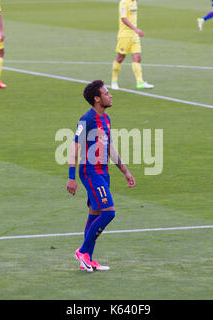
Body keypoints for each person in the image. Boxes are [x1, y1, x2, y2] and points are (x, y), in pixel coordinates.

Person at [67, 80, 136, 272]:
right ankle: (82, 252)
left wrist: (124, 170)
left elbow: (110, 147)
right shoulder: (86, 120)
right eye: (106, 93)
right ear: (97, 99)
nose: (110, 95)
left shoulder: (106, 119)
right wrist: (71, 177)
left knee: (95, 214)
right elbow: (74, 148)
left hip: (103, 172)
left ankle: (87, 259)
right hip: (90, 172)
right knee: (109, 212)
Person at [111, 0, 154, 90]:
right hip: (125, 36)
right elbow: (123, 18)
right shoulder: (123, 3)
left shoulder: (134, 2)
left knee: (137, 57)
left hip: (134, 36)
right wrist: (136, 29)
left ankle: (140, 82)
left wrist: (135, 31)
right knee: (120, 57)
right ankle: (114, 81)